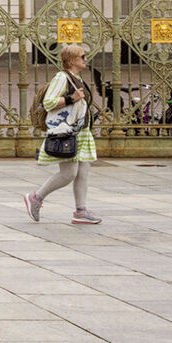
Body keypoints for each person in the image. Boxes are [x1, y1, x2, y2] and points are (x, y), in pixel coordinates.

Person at [25, 44, 101, 225]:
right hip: (67, 131)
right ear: (73, 60)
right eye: (82, 57)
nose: (85, 59)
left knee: (83, 171)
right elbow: (48, 102)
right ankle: (36, 198)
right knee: (68, 173)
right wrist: (70, 98)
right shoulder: (62, 77)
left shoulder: (76, 78)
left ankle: (81, 211)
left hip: (80, 131)